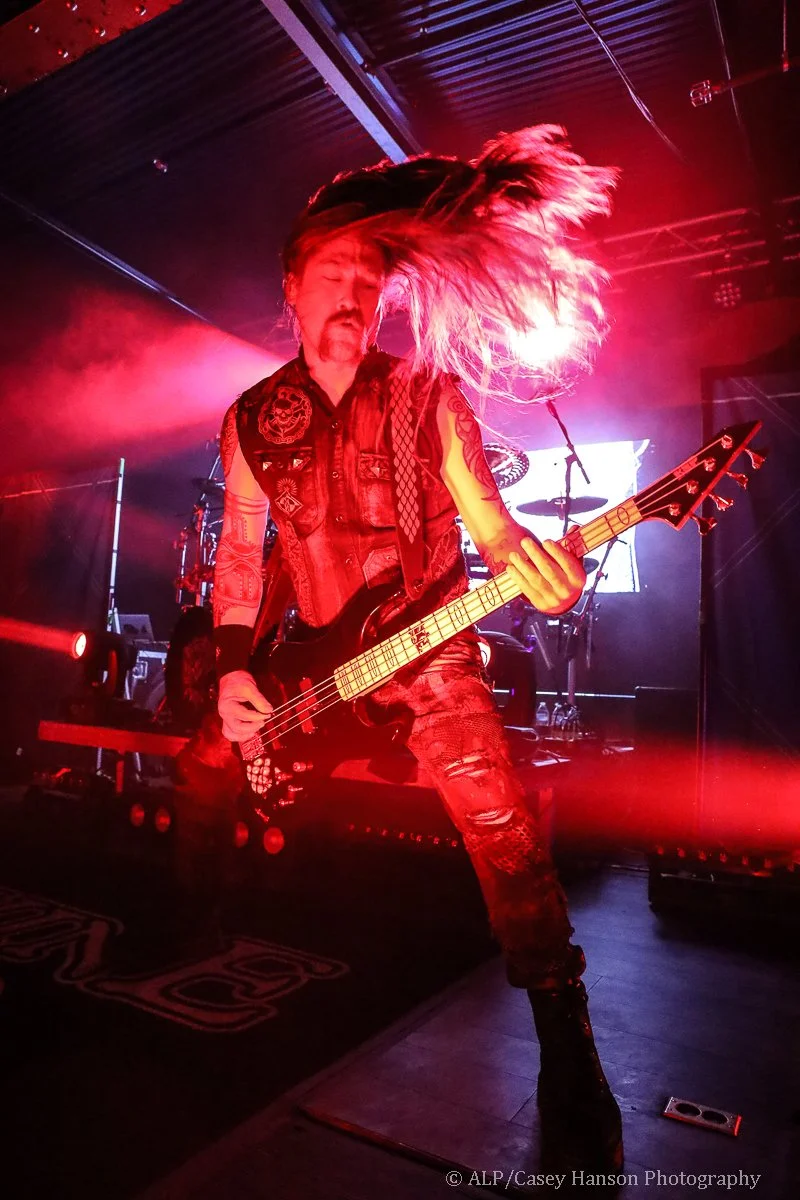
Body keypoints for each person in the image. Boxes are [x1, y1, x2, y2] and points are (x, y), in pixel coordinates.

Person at [212, 126, 622, 1172]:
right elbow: (242, 555)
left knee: (502, 829)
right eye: (332, 275)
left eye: (369, 278)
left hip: (427, 656)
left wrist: (543, 569)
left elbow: (494, 530)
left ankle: (563, 1033)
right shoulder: (251, 419)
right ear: (291, 287)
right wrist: (233, 669)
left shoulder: (427, 393)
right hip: (317, 668)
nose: (352, 295)